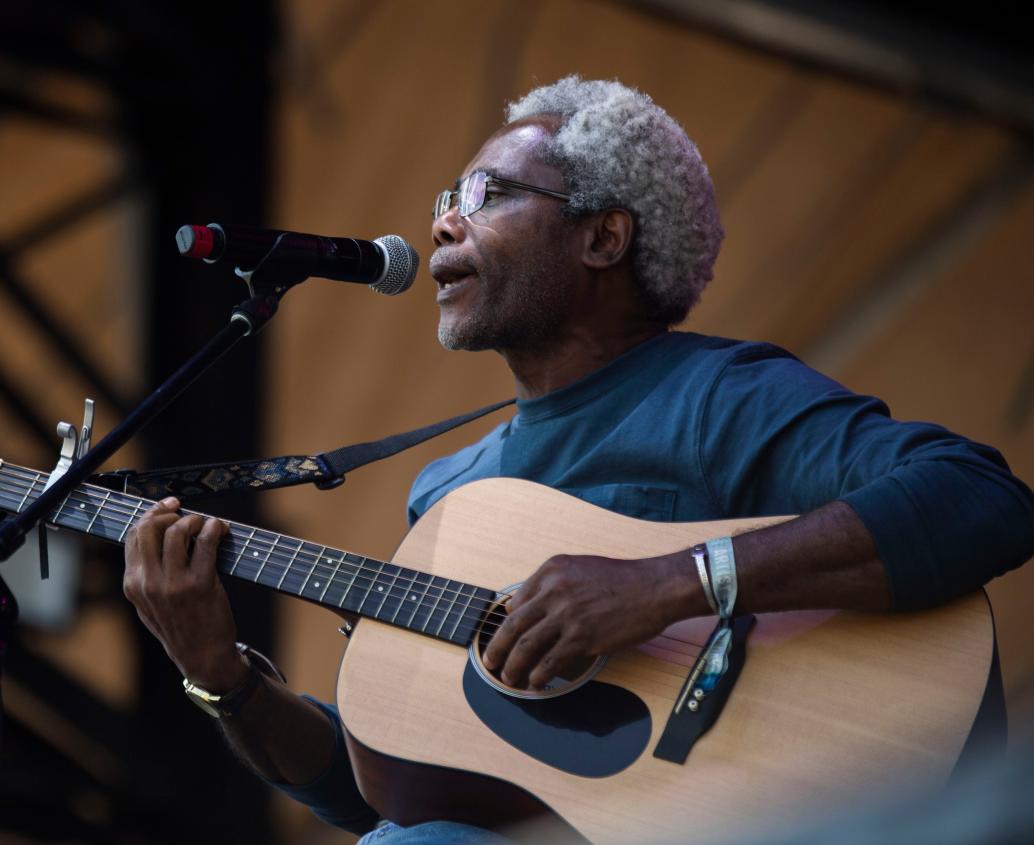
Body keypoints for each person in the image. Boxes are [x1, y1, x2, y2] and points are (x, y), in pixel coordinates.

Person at [121, 76, 1034, 844]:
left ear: (604, 237)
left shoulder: (716, 395)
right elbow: (397, 786)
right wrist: (222, 678)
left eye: (485, 196)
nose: (443, 226)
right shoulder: (448, 494)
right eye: (447, 201)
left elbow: (981, 497)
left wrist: (670, 583)